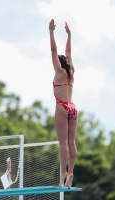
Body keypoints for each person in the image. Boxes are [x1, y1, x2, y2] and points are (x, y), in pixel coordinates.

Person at [49, 19, 78, 188]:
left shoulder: (59, 71)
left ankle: (63, 173)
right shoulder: (71, 71)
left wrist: (51, 33)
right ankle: (71, 171)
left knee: (62, 143)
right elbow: (68, 51)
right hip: (73, 107)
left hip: (62, 106)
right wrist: (69, 35)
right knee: (71, 142)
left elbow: (54, 50)